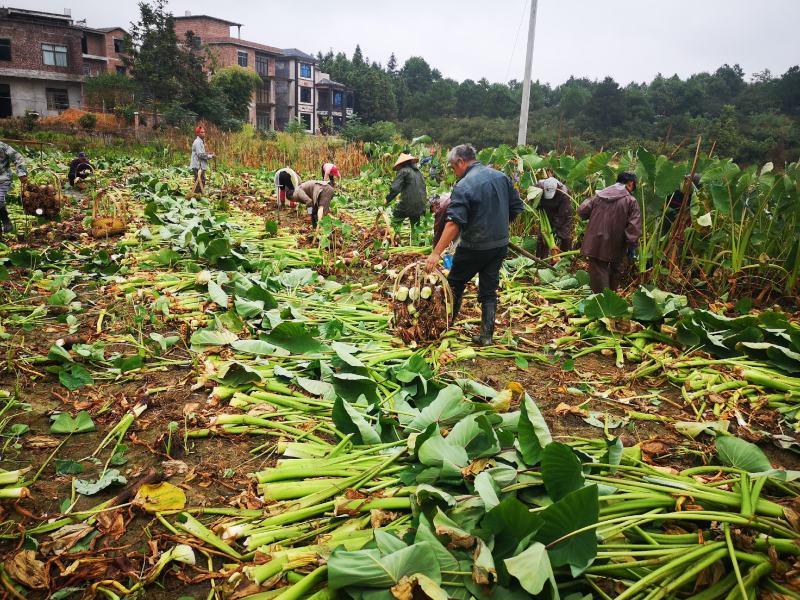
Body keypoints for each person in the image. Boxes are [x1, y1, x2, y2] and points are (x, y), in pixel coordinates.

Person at [425, 144, 524, 346]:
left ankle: (445, 324)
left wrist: (436, 253)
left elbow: (454, 223)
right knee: (488, 290)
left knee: (455, 283)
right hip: (499, 245)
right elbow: (516, 207)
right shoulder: (501, 177)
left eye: (453, 168)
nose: (454, 172)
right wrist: (498, 225)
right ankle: (486, 336)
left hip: (474, 246)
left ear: (461, 162)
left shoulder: (464, 184)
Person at [578, 172, 642, 294]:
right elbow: (634, 227)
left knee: (599, 268)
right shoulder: (631, 201)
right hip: (617, 242)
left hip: (595, 241)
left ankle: (604, 300)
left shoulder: (599, 195)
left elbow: (582, 211)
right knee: (616, 268)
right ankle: (609, 298)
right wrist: (632, 245)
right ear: (630, 184)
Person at [385, 153, 427, 243]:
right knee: (415, 225)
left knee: (396, 218)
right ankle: (415, 244)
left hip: (408, 204)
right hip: (420, 205)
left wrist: (387, 199)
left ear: (402, 164)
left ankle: (395, 238)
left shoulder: (403, 171)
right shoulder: (418, 172)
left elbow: (395, 188)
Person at [534, 176, 574, 258]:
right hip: (547, 213)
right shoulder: (539, 185)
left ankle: (565, 259)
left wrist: (555, 226)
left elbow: (563, 213)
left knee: (564, 236)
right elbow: (532, 197)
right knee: (543, 237)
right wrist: (536, 204)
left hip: (563, 215)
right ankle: (540, 259)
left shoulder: (564, 193)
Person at [0, 141, 27, 234]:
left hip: (3, 179)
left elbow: (18, 158)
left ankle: (5, 219)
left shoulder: (2, 146)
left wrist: (21, 173)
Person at [190, 126, 214, 196]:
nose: (204, 134)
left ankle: (198, 196)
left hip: (200, 166)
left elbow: (202, 153)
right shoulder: (197, 142)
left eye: (204, 132)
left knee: (201, 181)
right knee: (199, 182)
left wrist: (209, 154)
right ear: (197, 134)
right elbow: (200, 154)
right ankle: (196, 196)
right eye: (202, 132)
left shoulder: (201, 142)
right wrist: (210, 156)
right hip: (197, 166)